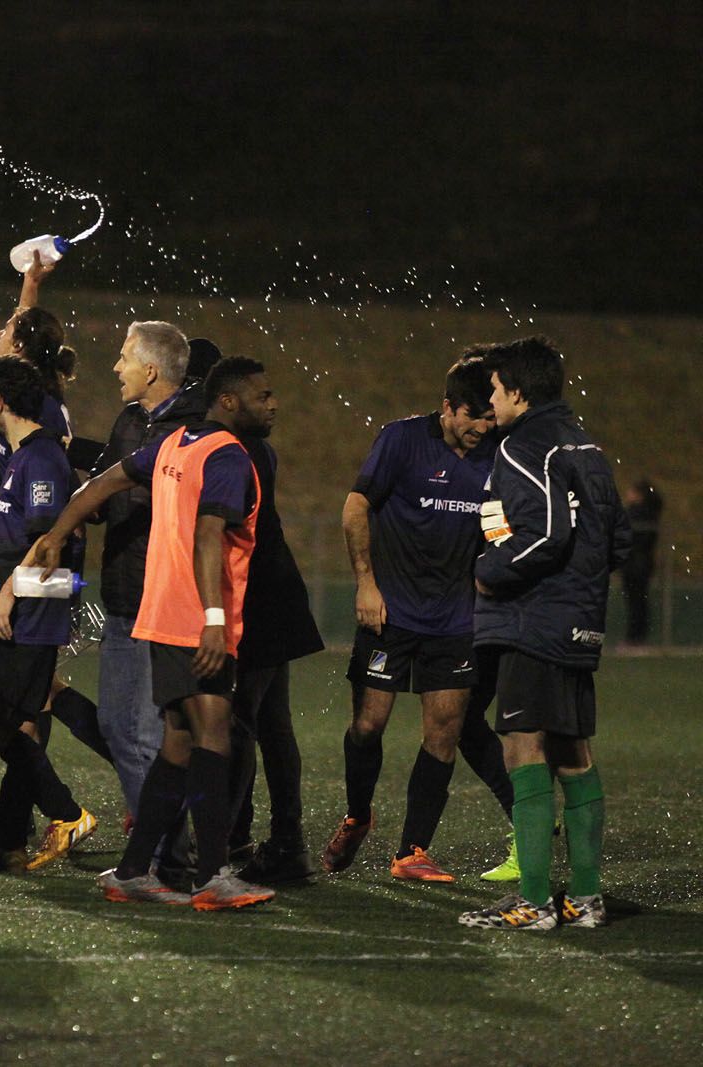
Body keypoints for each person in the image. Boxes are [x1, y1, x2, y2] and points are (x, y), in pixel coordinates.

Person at [26, 356, 278, 910]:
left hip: (160, 615)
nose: (272, 404)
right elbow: (208, 535)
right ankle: (213, 874)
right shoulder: (230, 456)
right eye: (262, 396)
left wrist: (56, 533)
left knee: (177, 742)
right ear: (229, 401)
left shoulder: (174, 444)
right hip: (198, 621)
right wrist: (214, 620)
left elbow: (104, 482)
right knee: (214, 733)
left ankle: (134, 871)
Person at [459, 337, 629, 931]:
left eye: (498, 389)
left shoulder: (523, 445)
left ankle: (533, 901)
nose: (492, 399)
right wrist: (581, 586)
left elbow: (547, 533)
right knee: (572, 750)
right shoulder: (586, 446)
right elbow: (620, 540)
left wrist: (488, 572)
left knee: (522, 746)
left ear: (519, 392)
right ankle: (585, 898)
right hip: (579, 620)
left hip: (536, 620)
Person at [324, 356, 516, 883]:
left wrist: (496, 563)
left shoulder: (495, 455)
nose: (483, 426)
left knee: (444, 733)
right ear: (448, 407)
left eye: (489, 417)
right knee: (368, 726)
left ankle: (412, 852)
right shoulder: (401, 440)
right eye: (473, 415)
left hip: (455, 620)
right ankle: (358, 816)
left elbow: (495, 524)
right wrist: (366, 582)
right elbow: (356, 507)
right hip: (390, 613)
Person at [0, 355, 96, 874]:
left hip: (29, 614)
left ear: (2, 402)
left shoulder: (39, 460)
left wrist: (9, 592)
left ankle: (66, 811)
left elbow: (46, 541)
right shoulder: (22, 456)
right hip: (22, 610)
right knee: (19, 724)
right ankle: (10, 841)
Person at [89, 321, 204, 869]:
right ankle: (166, 851)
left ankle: (164, 855)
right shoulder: (132, 419)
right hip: (124, 591)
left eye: (124, 358)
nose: (117, 367)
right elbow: (102, 481)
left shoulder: (190, 430)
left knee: (139, 732)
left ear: (151, 370)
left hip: (154, 597)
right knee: (127, 728)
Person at [224, 368, 326, 885]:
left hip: (259, 600)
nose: (274, 404)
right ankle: (286, 841)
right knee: (271, 722)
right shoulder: (247, 447)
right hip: (273, 596)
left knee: (239, 719)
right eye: (262, 395)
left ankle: (229, 839)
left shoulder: (232, 449)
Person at [621, 479, 663, 645]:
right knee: (639, 602)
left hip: (635, 564)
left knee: (636, 603)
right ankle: (637, 637)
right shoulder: (650, 513)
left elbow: (630, 538)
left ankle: (635, 638)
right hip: (641, 563)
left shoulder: (637, 514)